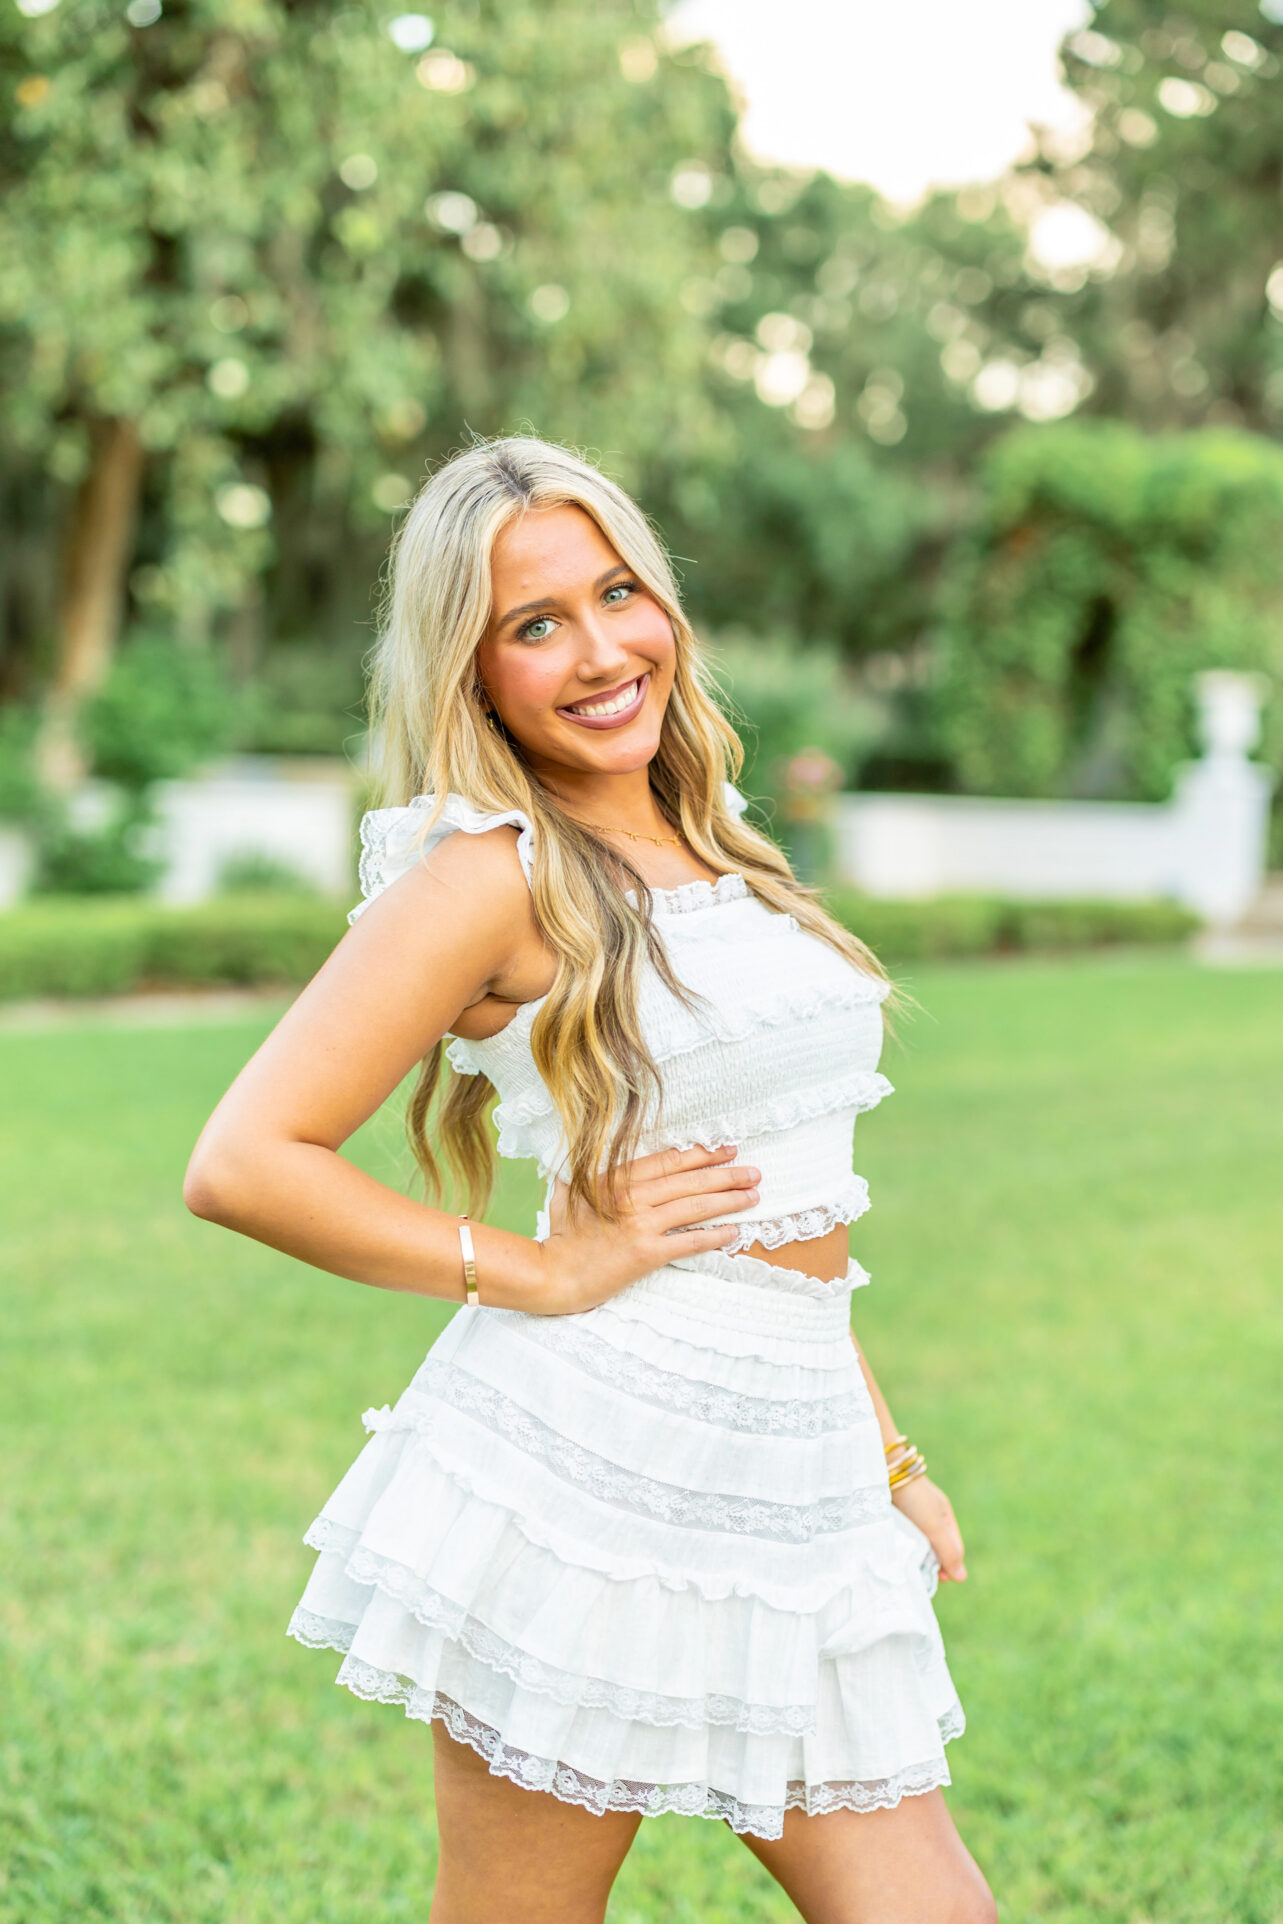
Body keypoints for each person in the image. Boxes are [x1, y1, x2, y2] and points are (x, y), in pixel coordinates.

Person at [183, 435, 996, 1924]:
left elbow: (792, 1210)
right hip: (592, 1478)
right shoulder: (485, 873)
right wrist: (546, 1266)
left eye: (618, 593)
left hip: (797, 1468)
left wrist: (888, 1459)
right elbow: (243, 1162)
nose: (600, 648)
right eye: (534, 623)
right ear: (472, 670)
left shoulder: (715, 842)